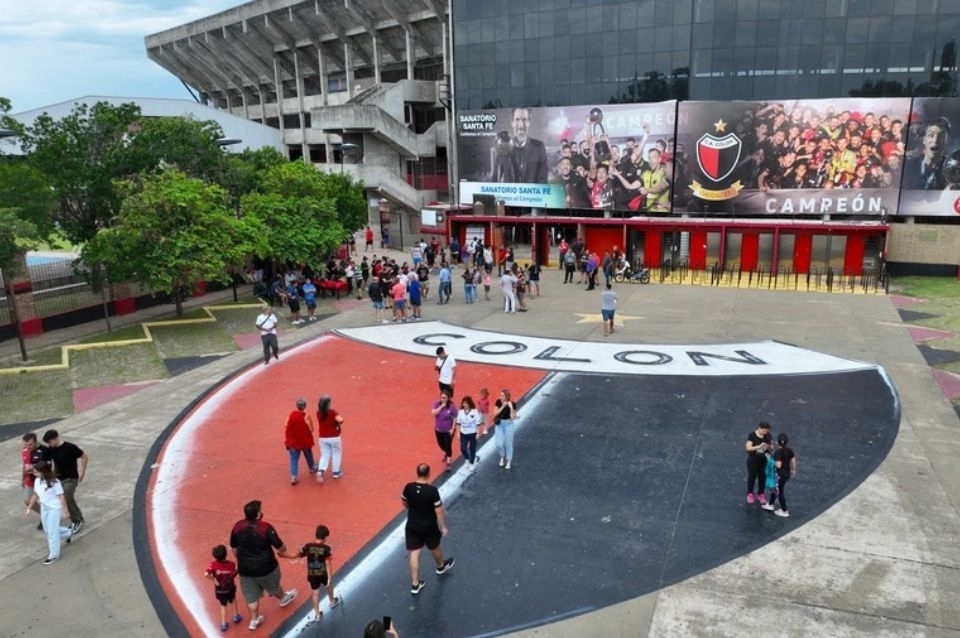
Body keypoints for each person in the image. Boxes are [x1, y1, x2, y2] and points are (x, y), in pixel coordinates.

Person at [229, 500, 298, 630]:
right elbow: (280, 546)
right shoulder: (265, 527)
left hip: (245, 570)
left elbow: (234, 548)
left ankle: (254, 620)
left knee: (251, 597)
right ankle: (283, 598)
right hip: (266, 568)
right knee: (273, 586)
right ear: (258, 513)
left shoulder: (237, 526)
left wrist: (241, 561)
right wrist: (284, 552)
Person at [401, 463, 455, 595]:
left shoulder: (408, 487)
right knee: (434, 547)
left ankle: (415, 584)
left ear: (417, 473)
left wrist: (412, 509)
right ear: (428, 474)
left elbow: (404, 502)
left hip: (412, 525)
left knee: (414, 553)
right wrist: (443, 527)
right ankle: (441, 566)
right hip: (429, 526)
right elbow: (439, 511)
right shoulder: (432, 491)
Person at [23, 460, 73, 565]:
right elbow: (35, 494)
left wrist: (65, 511)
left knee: (52, 533)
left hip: (54, 509)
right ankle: (69, 532)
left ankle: (54, 555)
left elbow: (61, 496)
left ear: (43, 471)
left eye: (36, 471)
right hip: (44, 507)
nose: (34, 473)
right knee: (47, 529)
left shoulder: (55, 482)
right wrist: (29, 508)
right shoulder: (37, 481)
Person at [42, 429, 87, 534]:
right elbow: (47, 461)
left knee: (66, 498)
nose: (49, 445)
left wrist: (82, 473)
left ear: (55, 438)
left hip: (71, 478)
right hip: (59, 479)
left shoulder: (70, 447)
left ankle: (77, 520)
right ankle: (78, 517)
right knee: (66, 498)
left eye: (50, 442)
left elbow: (84, 457)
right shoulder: (51, 449)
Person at [295, 524, 341, 623]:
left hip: (312, 574)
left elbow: (299, 554)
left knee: (315, 593)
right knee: (328, 586)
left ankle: (317, 614)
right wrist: (329, 577)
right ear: (325, 538)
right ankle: (332, 601)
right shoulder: (326, 548)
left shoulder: (308, 546)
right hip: (323, 573)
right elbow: (328, 563)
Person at [903, 117, 950, 190]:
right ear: (924, 140)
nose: (935, 140)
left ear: (947, 141)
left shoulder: (952, 170)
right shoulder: (908, 165)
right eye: (931, 135)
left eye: (941, 136)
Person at [204, 544, 243, 632]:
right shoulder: (231, 564)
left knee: (223, 605)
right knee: (233, 600)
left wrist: (214, 579)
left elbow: (206, 574)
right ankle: (236, 616)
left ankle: (223, 624)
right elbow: (234, 573)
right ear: (226, 554)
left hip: (219, 590)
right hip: (230, 588)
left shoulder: (213, 565)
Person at [508, 107, 549, 183]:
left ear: (529, 122)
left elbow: (543, 180)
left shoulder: (539, 147)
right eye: (517, 120)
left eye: (524, 120)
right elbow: (495, 181)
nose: (521, 125)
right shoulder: (503, 149)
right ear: (512, 122)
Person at [762, 433, 797, 518]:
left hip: (779, 475)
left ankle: (785, 511)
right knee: (775, 489)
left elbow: (778, 465)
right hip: (786, 474)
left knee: (779, 492)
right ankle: (770, 504)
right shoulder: (790, 450)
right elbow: (793, 461)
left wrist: (768, 457)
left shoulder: (778, 452)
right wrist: (793, 470)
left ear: (778, 442)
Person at [284, 398, 316, 485]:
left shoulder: (291, 415)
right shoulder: (306, 417)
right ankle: (311, 467)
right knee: (308, 454)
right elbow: (311, 429)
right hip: (304, 441)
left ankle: (293, 477)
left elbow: (286, 425)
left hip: (293, 441)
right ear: (305, 406)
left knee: (293, 459)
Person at [21, 432, 50, 525]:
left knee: (44, 500)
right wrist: (23, 478)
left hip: (42, 480)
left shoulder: (44, 451)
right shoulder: (25, 450)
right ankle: (45, 515)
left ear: (36, 442)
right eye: (26, 445)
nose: (28, 447)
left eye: (30, 444)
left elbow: (47, 467)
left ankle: (47, 517)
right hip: (30, 480)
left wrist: (33, 468)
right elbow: (24, 465)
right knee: (28, 500)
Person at [315, 396, 345, 482]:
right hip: (334, 437)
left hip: (322, 437)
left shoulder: (318, 413)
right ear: (328, 404)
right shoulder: (332, 412)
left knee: (324, 454)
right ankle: (336, 472)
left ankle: (321, 470)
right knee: (336, 453)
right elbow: (341, 420)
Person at [744, 421, 772, 505]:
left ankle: (761, 494)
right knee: (752, 477)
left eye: (767, 431)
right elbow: (748, 448)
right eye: (764, 430)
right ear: (759, 428)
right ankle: (750, 494)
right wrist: (759, 446)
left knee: (762, 478)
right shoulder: (752, 435)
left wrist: (769, 448)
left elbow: (769, 449)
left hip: (763, 460)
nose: (765, 433)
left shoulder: (768, 436)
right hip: (753, 460)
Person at [431, 391, 458, 471]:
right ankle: (446, 452)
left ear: (448, 398)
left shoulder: (452, 407)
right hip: (438, 429)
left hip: (448, 431)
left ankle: (448, 463)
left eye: (445, 398)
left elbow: (455, 417)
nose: (443, 399)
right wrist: (441, 407)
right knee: (441, 444)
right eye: (442, 397)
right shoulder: (437, 404)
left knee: (448, 445)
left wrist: (452, 428)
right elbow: (433, 413)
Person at [493, 390, 518, 470]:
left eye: (503, 395)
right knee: (498, 444)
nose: (501, 396)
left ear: (507, 397)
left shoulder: (512, 404)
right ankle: (502, 456)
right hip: (499, 425)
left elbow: (513, 418)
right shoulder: (498, 402)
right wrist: (503, 407)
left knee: (508, 444)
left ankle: (508, 460)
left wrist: (511, 408)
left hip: (509, 424)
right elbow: (494, 414)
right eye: (501, 395)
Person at [455, 396, 481, 471]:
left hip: (473, 433)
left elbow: (477, 423)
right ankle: (467, 458)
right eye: (464, 403)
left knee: (472, 449)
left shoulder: (474, 411)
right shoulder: (460, 412)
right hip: (463, 433)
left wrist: (478, 433)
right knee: (463, 448)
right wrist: (458, 433)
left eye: (466, 403)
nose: (465, 405)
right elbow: (458, 423)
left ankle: (472, 463)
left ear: (470, 403)